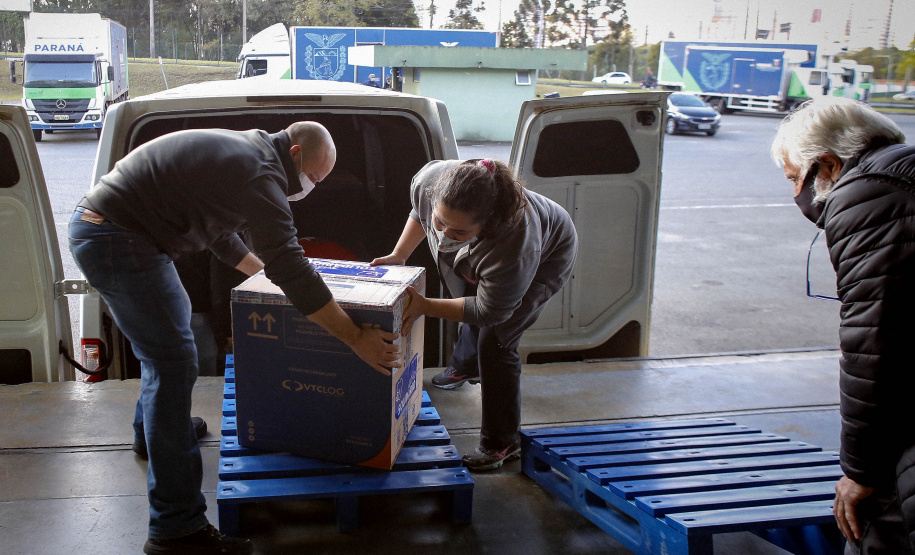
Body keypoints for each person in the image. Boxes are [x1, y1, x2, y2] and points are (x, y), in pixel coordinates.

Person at [68, 121, 401, 554]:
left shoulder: (250, 155)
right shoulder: (260, 171)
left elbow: (221, 234)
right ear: (296, 152)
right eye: (315, 178)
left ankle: (153, 434)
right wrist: (354, 336)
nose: (311, 189)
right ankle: (176, 529)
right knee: (173, 362)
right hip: (117, 237)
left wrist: (266, 277)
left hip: (118, 232)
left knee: (168, 340)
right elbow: (288, 262)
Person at [771, 96, 915, 554]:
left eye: (796, 179)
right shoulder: (905, 173)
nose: (795, 194)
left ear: (828, 165)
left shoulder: (866, 194)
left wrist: (860, 471)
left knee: (872, 528)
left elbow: (873, 346)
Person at [372, 159, 578, 471]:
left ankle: (503, 443)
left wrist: (424, 306)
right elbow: (420, 212)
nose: (442, 235)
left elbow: (488, 310)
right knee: (463, 303)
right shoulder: (431, 181)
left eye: (458, 230)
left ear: (488, 222)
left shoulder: (515, 241)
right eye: (440, 223)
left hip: (547, 258)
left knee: (496, 341)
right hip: (487, 254)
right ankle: (464, 367)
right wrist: (399, 255)